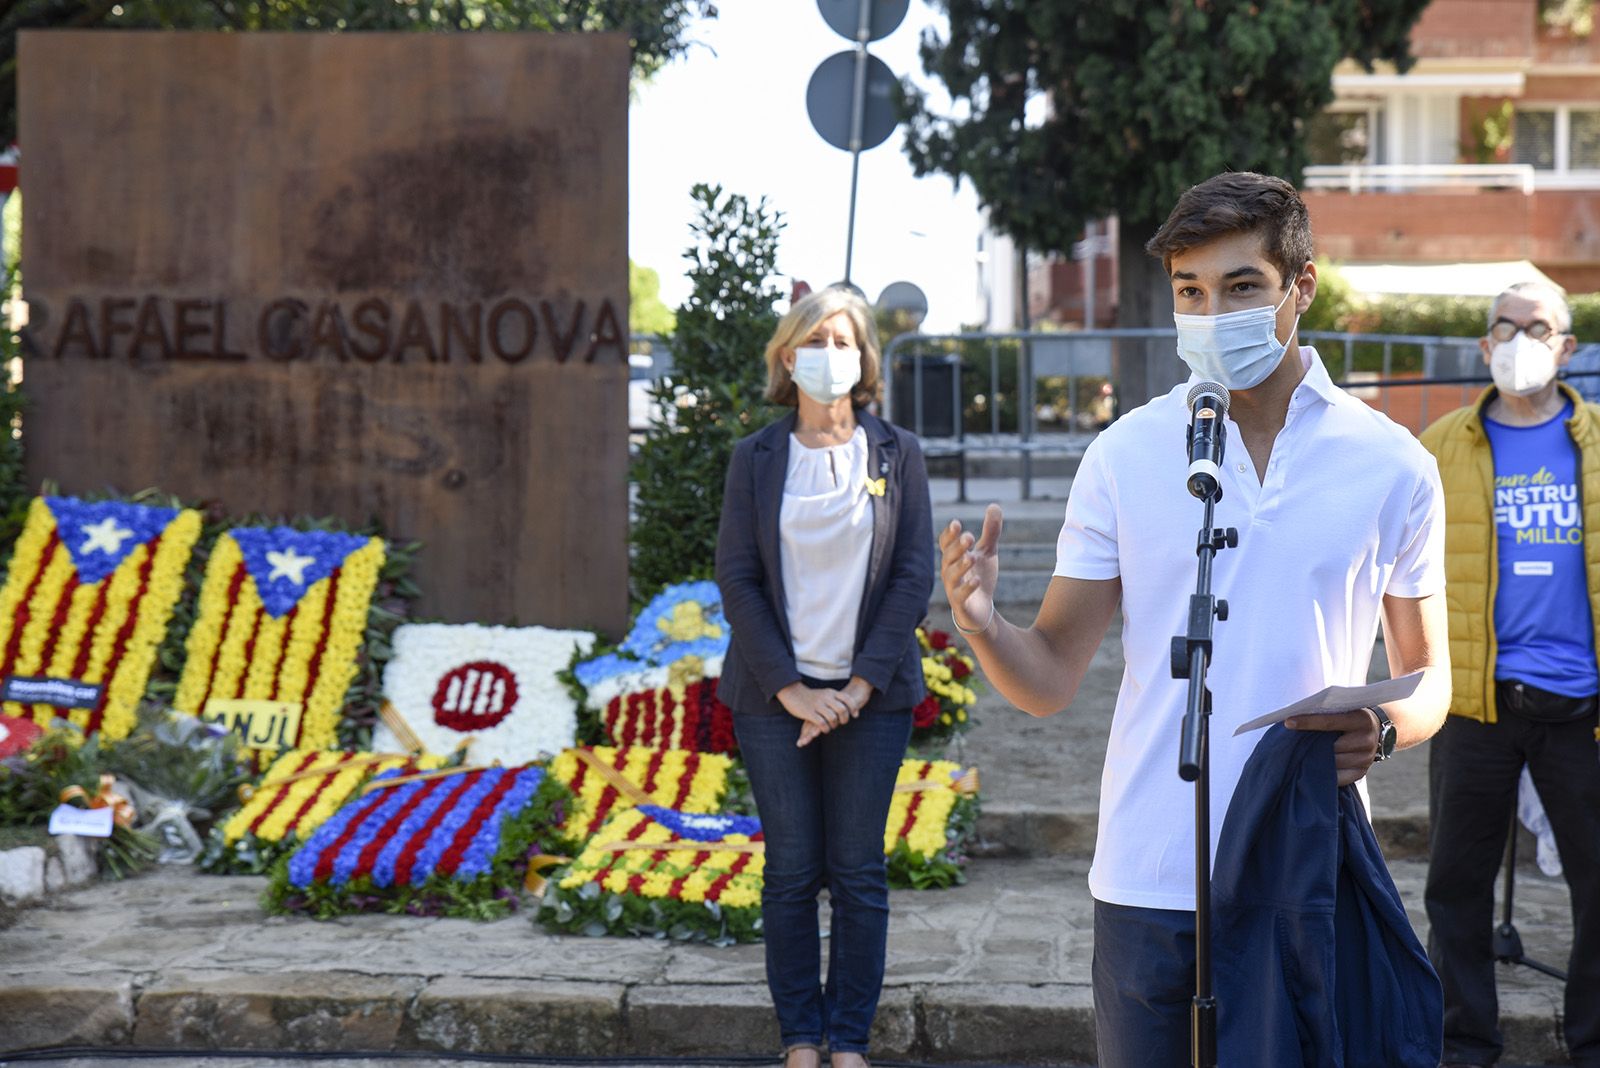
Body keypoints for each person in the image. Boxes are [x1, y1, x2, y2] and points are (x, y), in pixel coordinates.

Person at [938, 171, 1452, 1065]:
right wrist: (984, 622)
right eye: (1190, 291)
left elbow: (1431, 676)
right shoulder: (1124, 452)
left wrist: (1382, 727)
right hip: (1150, 876)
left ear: (1301, 287)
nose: (1211, 314)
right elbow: (1052, 677)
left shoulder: (1393, 465)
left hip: (1305, 873)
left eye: (1241, 286)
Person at [715, 285, 935, 1068]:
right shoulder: (755, 458)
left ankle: (848, 1041)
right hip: (775, 699)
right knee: (791, 872)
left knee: (858, 872)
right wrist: (793, 690)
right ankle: (800, 1040)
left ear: (866, 357)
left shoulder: (898, 454)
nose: (829, 355)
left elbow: (913, 577)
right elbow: (737, 578)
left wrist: (854, 691)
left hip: (868, 699)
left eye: (844, 341)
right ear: (786, 355)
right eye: (814, 340)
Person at [1419, 280, 1600, 1068]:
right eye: (1504, 324)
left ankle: (1592, 1040)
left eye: (1537, 326)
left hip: (1582, 706)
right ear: (1483, 342)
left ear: (1566, 347)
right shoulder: (1438, 446)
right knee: (1456, 888)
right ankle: (1464, 1042)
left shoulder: (1596, 444)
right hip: (1474, 700)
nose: (1519, 339)